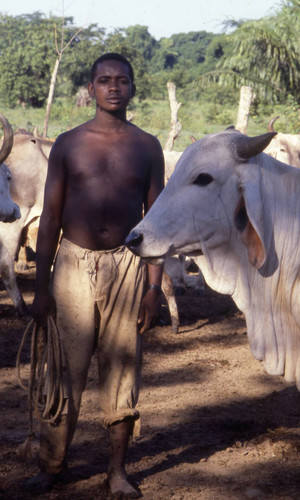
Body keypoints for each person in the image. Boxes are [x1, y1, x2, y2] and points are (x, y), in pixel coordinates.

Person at [24, 52, 164, 498]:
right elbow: (49, 220)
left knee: (122, 370)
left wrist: (154, 287)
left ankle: (117, 472)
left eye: (122, 80)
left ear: (132, 88)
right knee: (61, 370)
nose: (113, 87)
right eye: (104, 80)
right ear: (91, 89)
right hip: (71, 264)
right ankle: (52, 464)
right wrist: (42, 284)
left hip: (127, 266)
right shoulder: (68, 144)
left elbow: (156, 222)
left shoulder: (147, 146)